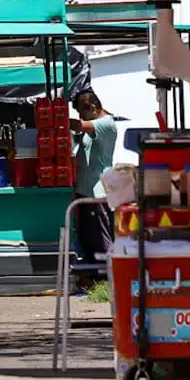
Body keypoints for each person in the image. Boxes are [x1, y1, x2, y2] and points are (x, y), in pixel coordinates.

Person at [71, 89, 118, 274]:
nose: (80, 116)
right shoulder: (92, 126)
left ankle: (110, 277)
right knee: (88, 238)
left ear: (92, 107)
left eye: (81, 111)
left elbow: (80, 125)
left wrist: (57, 118)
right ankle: (95, 275)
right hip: (85, 191)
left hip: (99, 191)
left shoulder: (106, 124)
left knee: (102, 237)